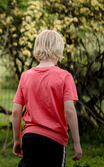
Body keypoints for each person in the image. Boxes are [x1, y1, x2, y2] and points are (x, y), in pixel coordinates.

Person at [12, 29, 82, 167]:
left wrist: (17, 140)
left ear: (37, 49)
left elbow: (15, 111)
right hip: (54, 140)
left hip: (30, 137)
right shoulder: (65, 76)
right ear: (59, 50)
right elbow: (70, 111)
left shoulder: (26, 76)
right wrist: (77, 143)